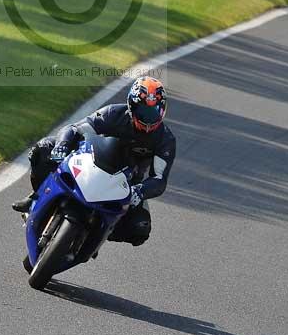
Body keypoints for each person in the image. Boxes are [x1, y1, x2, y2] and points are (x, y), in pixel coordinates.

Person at [12, 76, 176, 247]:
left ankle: (97, 235)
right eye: (143, 112)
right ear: (131, 106)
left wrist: (140, 191)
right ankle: (35, 197)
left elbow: (159, 179)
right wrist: (61, 146)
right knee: (44, 148)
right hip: (94, 160)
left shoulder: (165, 139)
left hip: (129, 183)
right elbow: (75, 128)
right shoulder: (114, 113)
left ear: (162, 110)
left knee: (139, 229)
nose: (148, 119)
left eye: (154, 112)